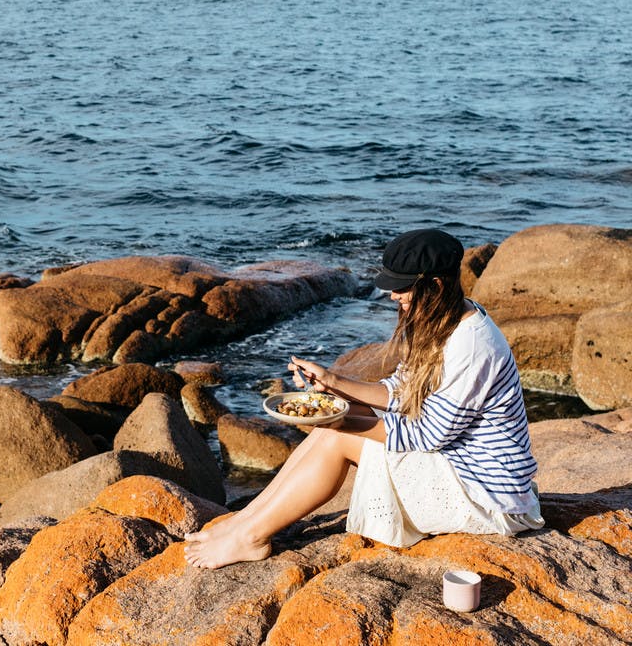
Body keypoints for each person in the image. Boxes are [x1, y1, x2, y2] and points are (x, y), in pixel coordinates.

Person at [184, 227, 544, 569]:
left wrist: (341, 421)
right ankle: (245, 522)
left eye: (402, 287)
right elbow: (401, 390)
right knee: (335, 426)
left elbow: (428, 434)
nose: (392, 296)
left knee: (336, 436)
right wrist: (332, 383)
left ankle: (249, 536)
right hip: (464, 466)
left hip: (487, 497)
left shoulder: (472, 342)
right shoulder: (445, 320)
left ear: (435, 284)